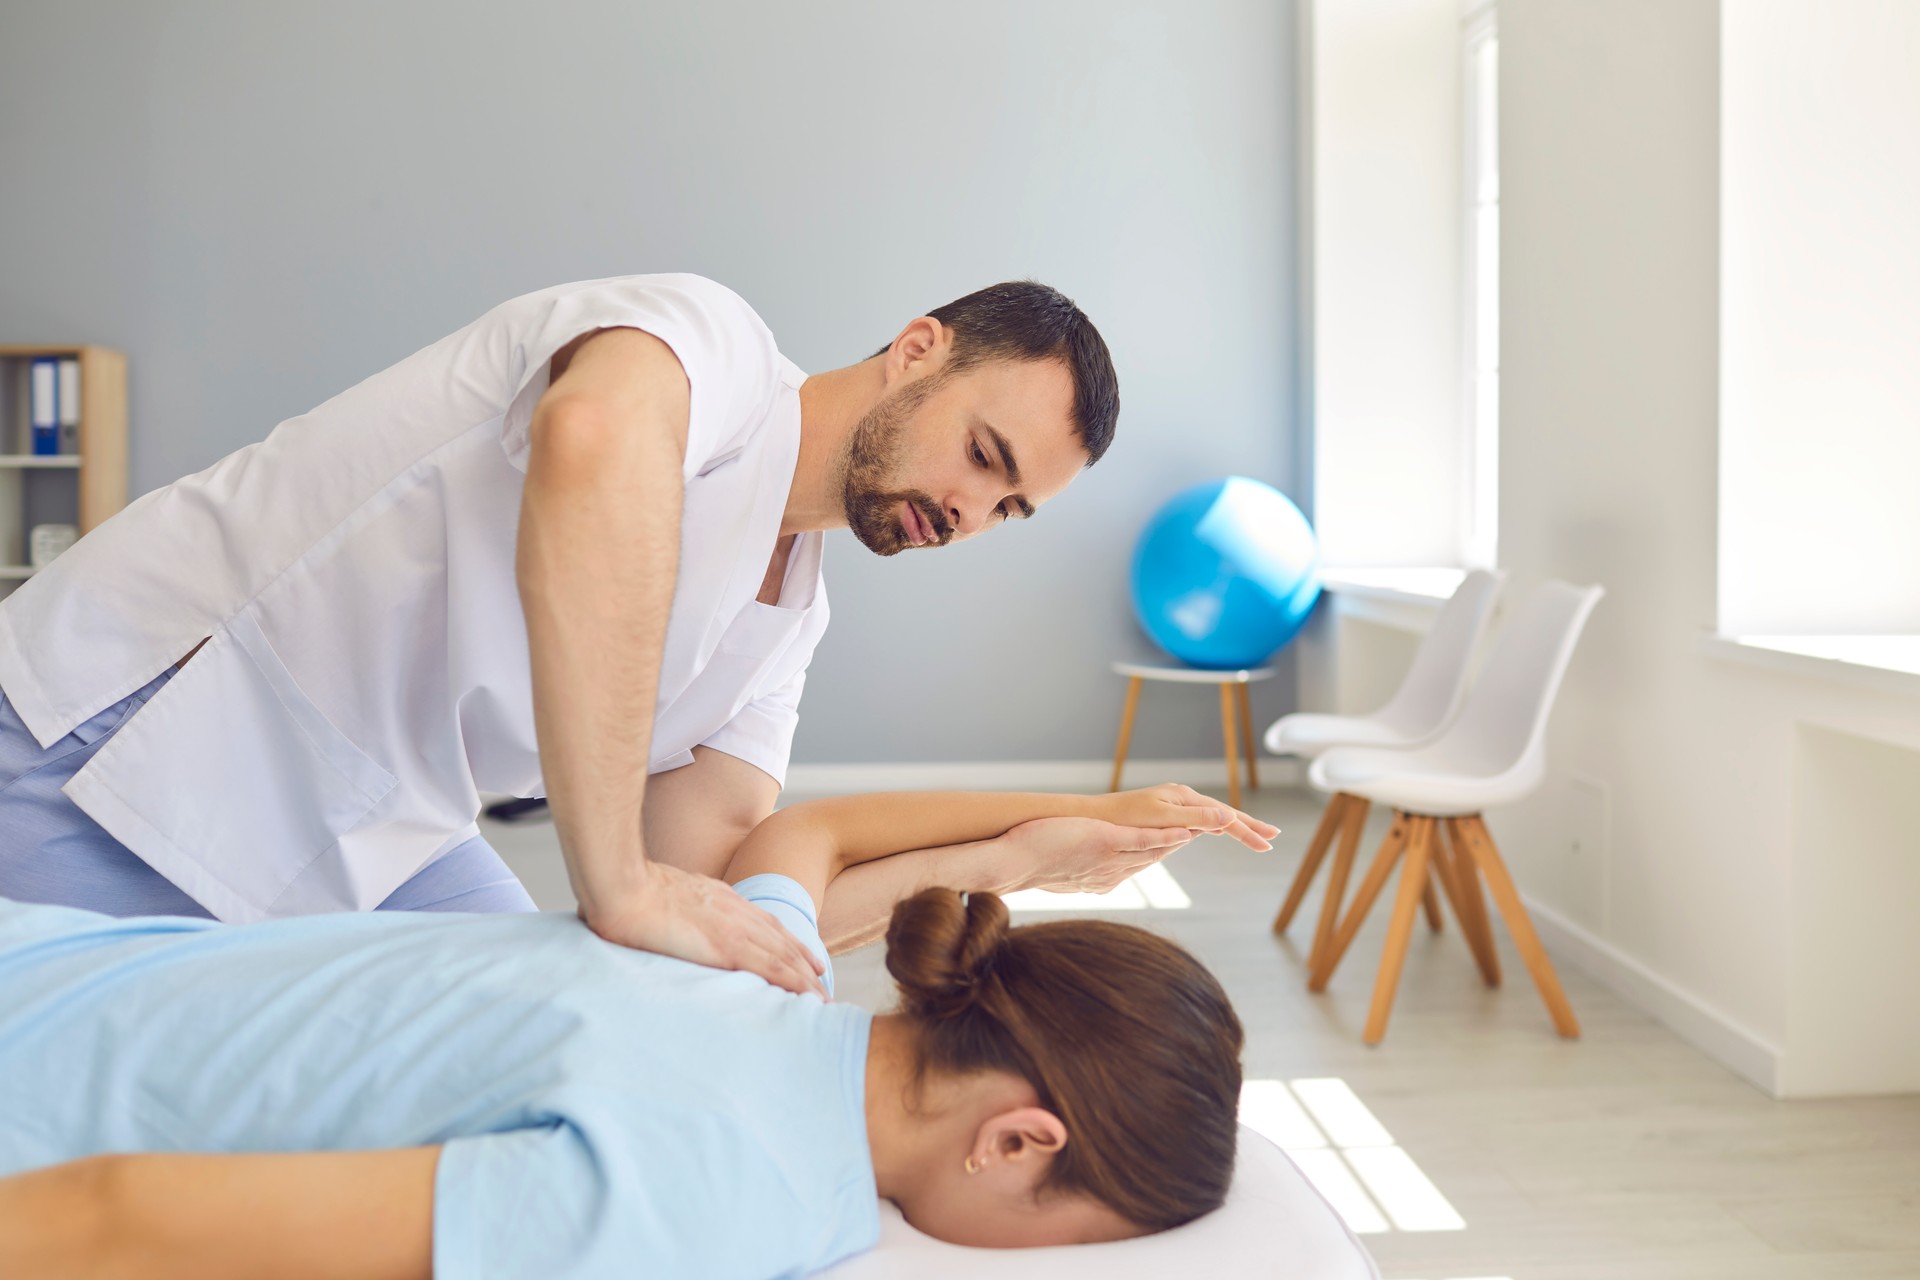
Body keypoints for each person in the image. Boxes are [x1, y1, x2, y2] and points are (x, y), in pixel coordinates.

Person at [0, 273, 1238, 996]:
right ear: (918, 350)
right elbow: (591, 444)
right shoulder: (709, 347)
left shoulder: (789, 616)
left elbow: (726, 903)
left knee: (601, 1011)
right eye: (981, 454)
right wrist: (613, 874)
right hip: (147, 721)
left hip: (381, 818)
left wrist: (1018, 853)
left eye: (1008, 507)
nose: (970, 511)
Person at [0, 785, 1246, 1279]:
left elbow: (802, 838)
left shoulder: (764, 970)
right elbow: (123, 1214)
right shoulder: (719, 1196)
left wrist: (1030, 839)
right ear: (1018, 1137)